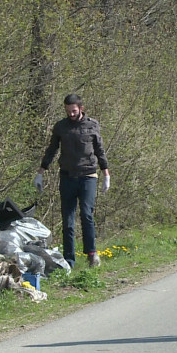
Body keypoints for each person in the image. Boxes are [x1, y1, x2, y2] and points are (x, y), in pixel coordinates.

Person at [34, 94, 110, 268]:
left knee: (86, 214)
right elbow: (52, 150)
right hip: (67, 177)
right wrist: (40, 172)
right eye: (68, 111)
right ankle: (69, 261)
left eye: (74, 111)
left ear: (81, 109)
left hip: (88, 176)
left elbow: (100, 150)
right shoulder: (61, 127)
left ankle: (92, 254)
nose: (71, 114)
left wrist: (106, 174)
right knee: (68, 220)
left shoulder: (92, 125)